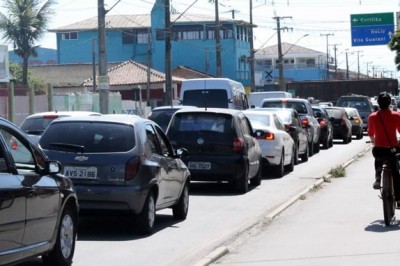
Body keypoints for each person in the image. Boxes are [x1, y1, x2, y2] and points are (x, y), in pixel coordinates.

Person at [368, 91, 400, 205]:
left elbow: (371, 133)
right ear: (389, 103)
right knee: (396, 172)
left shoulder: (372, 117)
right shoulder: (396, 115)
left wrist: (373, 140)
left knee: (377, 156)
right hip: (393, 150)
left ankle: (377, 176)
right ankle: (399, 199)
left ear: (378, 103)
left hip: (379, 150)